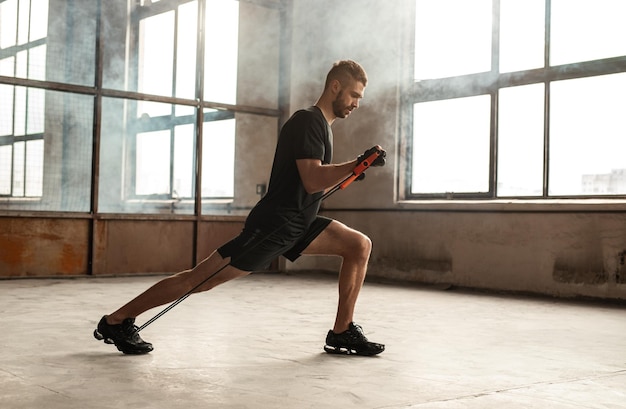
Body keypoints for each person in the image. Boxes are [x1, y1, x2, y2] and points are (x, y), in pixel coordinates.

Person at [94, 60, 386, 356]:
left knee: (358, 245)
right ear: (335, 86)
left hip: (298, 224)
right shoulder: (308, 121)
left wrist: (352, 169)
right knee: (198, 280)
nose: (356, 104)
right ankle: (116, 321)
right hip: (274, 226)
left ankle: (341, 331)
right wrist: (354, 165)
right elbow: (312, 180)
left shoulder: (322, 126)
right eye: (354, 95)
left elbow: (312, 184)